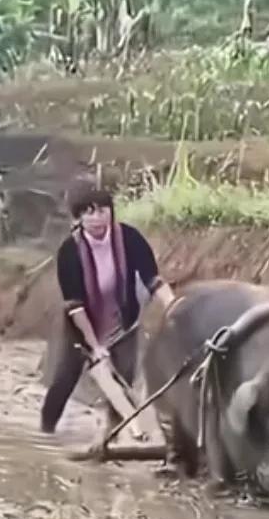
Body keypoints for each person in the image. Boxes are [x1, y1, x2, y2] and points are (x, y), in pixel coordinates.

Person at [41, 177, 174, 435]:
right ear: (78, 218)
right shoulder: (70, 252)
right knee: (63, 381)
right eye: (89, 213)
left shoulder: (130, 238)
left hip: (123, 321)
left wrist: (173, 306)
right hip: (81, 327)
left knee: (122, 379)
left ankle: (116, 436)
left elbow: (153, 280)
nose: (98, 218)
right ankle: (45, 432)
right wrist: (95, 346)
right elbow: (75, 305)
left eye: (102, 210)